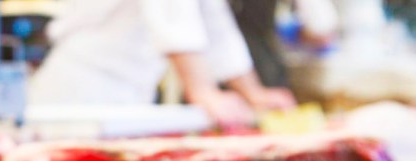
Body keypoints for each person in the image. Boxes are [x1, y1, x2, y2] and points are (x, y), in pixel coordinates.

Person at [26, 0, 297, 128]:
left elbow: (214, 21)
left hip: (129, 93)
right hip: (83, 90)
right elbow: (170, 12)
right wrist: (202, 90)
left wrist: (252, 91)